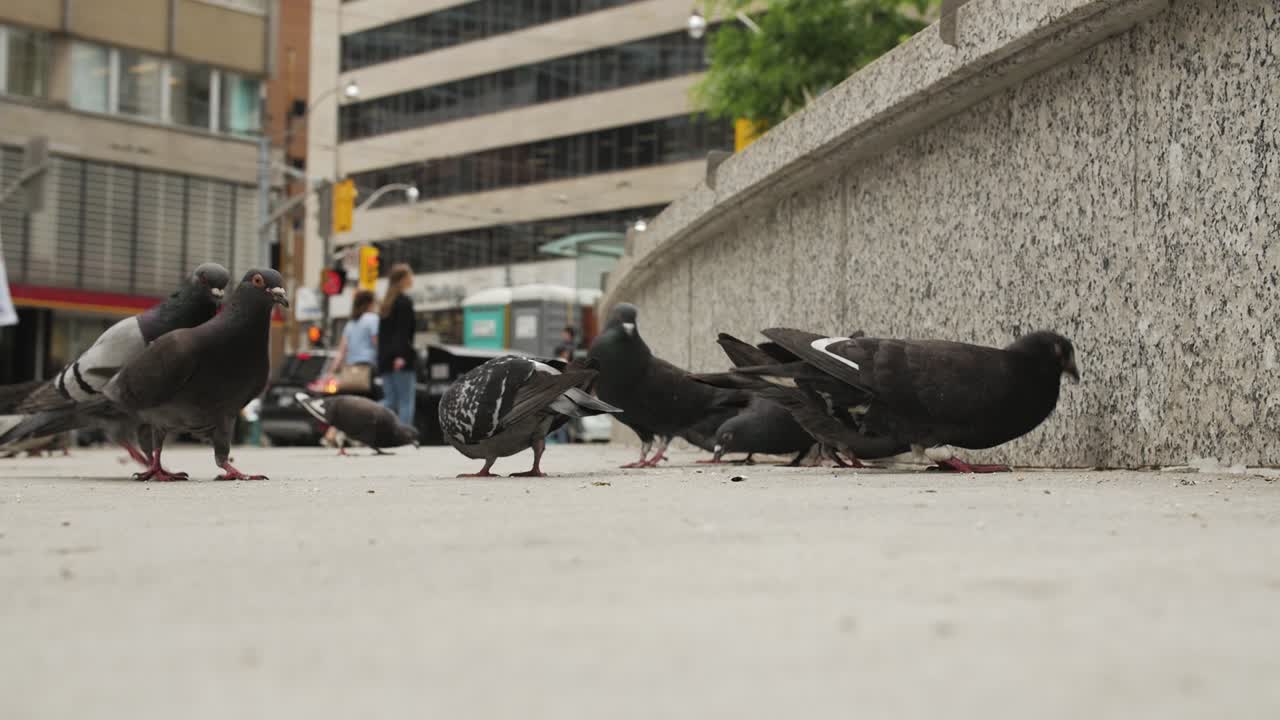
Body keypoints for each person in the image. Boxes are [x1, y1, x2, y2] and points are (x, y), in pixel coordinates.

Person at [378, 263, 418, 426]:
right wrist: (401, 356)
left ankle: (358, 416)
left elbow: (384, 336)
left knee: (391, 400)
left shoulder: (385, 305)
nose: (412, 279)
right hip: (400, 358)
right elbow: (403, 332)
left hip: (385, 359)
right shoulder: (404, 302)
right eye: (410, 276)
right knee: (406, 401)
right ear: (402, 280)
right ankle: (404, 435)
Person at [330, 290, 379, 397]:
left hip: (351, 369)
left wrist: (332, 371)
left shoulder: (351, 324)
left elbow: (342, 351)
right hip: (368, 368)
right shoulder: (372, 319)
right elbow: (377, 343)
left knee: (354, 400)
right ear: (370, 303)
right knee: (369, 402)